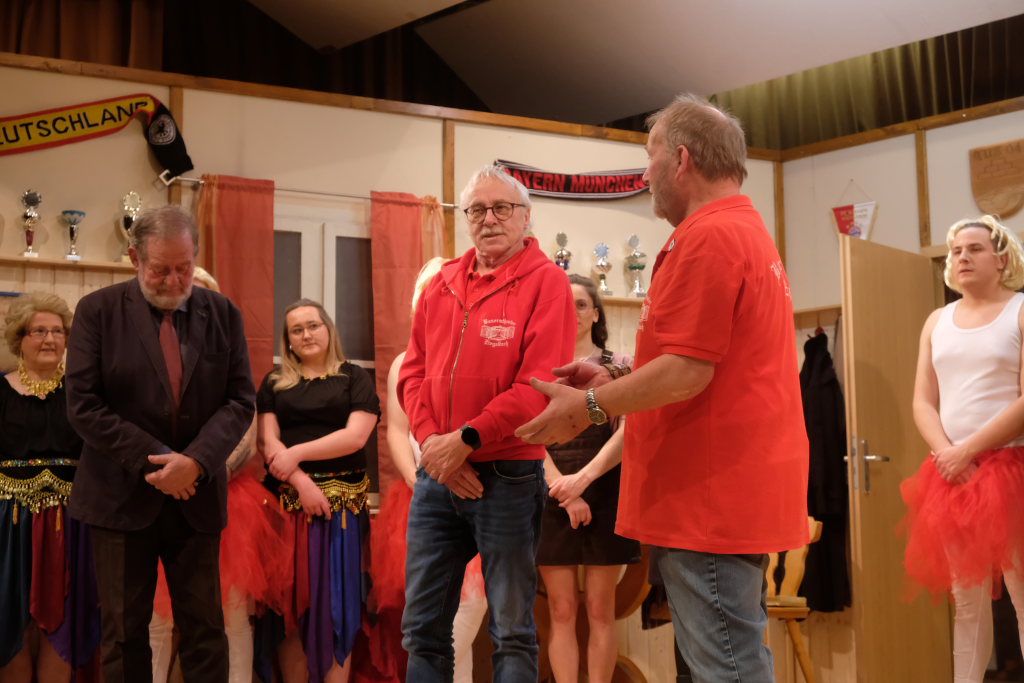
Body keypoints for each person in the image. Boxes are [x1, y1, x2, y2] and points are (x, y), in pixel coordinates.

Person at [516, 93, 809, 683]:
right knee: (726, 661)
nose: (645, 174)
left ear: (681, 159)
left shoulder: (710, 236)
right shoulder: (739, 229)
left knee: (726, 668)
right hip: (717, 487)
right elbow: (703, 362)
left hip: (709, 492)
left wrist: (590, 405)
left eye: (649, 158)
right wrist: (615, 378)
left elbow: (687, 371)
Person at [397, 163, 576, 681]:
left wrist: (466, 441)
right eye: (477, 209)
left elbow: (537, 387)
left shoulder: (548, 283)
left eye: (501, 208)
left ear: (525, 216)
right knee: (422, 629)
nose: (489, 218)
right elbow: (412, 375)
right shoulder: (441, 284)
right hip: (438, 475)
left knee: (512, 631)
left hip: (508, 475)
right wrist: (437, 447)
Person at [66, 204, 256, 683]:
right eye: (160, 269)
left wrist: (196, 463)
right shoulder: (97, 312)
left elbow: (239, 401)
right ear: (135, 258)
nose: (174, 281)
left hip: (196, 498)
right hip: (119, 498)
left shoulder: (223, 313)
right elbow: (84, 406)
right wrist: (163, 463)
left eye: (184, 268)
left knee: (205, 630)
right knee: (124, 635)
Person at [149, 267, 289, 683]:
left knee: (230, 614)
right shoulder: (149, 357)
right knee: (156, 620)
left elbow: (245, 432)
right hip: (157, 495)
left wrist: (199, 473)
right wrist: (168, 474)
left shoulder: (231, 359)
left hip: (228, 500)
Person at [902, 215, 1024, 683]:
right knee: (967, 601)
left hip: (1010, 467)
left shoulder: (1019, 310)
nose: (962, 257)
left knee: (1021, 592)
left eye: (974, 249)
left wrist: (967, 450)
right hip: (951, 474)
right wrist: (947, 455)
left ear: (1001, 258)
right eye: (956, 251)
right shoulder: (937, 321)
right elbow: (922, 401)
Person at [374, 257, 487, 683]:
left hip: (477, 496)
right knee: (431, 625)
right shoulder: (403, 363)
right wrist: (422, 479)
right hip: (421, 498)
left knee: (465, 619)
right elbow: (396, 432)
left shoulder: (480, 357)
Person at [256, 298, 380, 683]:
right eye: (297, 330)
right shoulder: (274, 382)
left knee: (338, 607)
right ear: (288, 340)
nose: (306, 334)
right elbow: (267, 442)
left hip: (341, 512)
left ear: (328, 329)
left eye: (313, 325)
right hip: (286, 508)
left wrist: (296, 455)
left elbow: (355, 437)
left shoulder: (354, 377)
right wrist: (301, 481)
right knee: (289, 608)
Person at [536, 274, 640, 683]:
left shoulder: (622, 364)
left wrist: (584, 479)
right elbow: (526, 435)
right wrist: (565, 489)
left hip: (606, 489)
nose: (573, 311)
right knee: (560, 609)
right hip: (551, 492)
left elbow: (631, 432)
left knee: (600, 608)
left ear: (595, 314)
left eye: (581, 304)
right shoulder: (538, 366)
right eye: (565, 303)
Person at [0, 292, 100, 683]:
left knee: (65, 620)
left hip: (71, 525)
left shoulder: (84, 394)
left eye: (58, 331)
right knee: (11, 618)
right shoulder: (1, 390)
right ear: (19, 338)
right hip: (9, 526)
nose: (50, 339)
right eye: (38, 331)